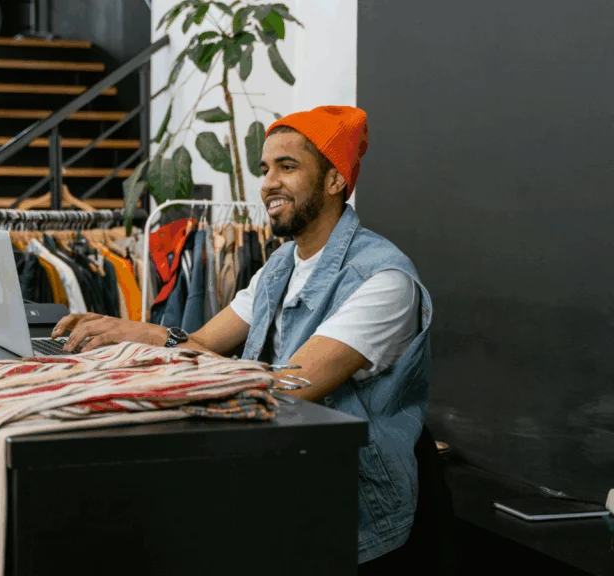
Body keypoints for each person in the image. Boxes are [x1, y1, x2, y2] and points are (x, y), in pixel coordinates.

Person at [53, 106, 432, 569]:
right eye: (265, 169)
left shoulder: (383, 279)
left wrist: (158, 350)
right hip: (275, 475)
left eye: (287, 167)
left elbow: (286, 387)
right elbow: (203, 343)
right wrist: (127, 332)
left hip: (351, 508)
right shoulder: (281, 265)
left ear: (335, 180)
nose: (269, 182)